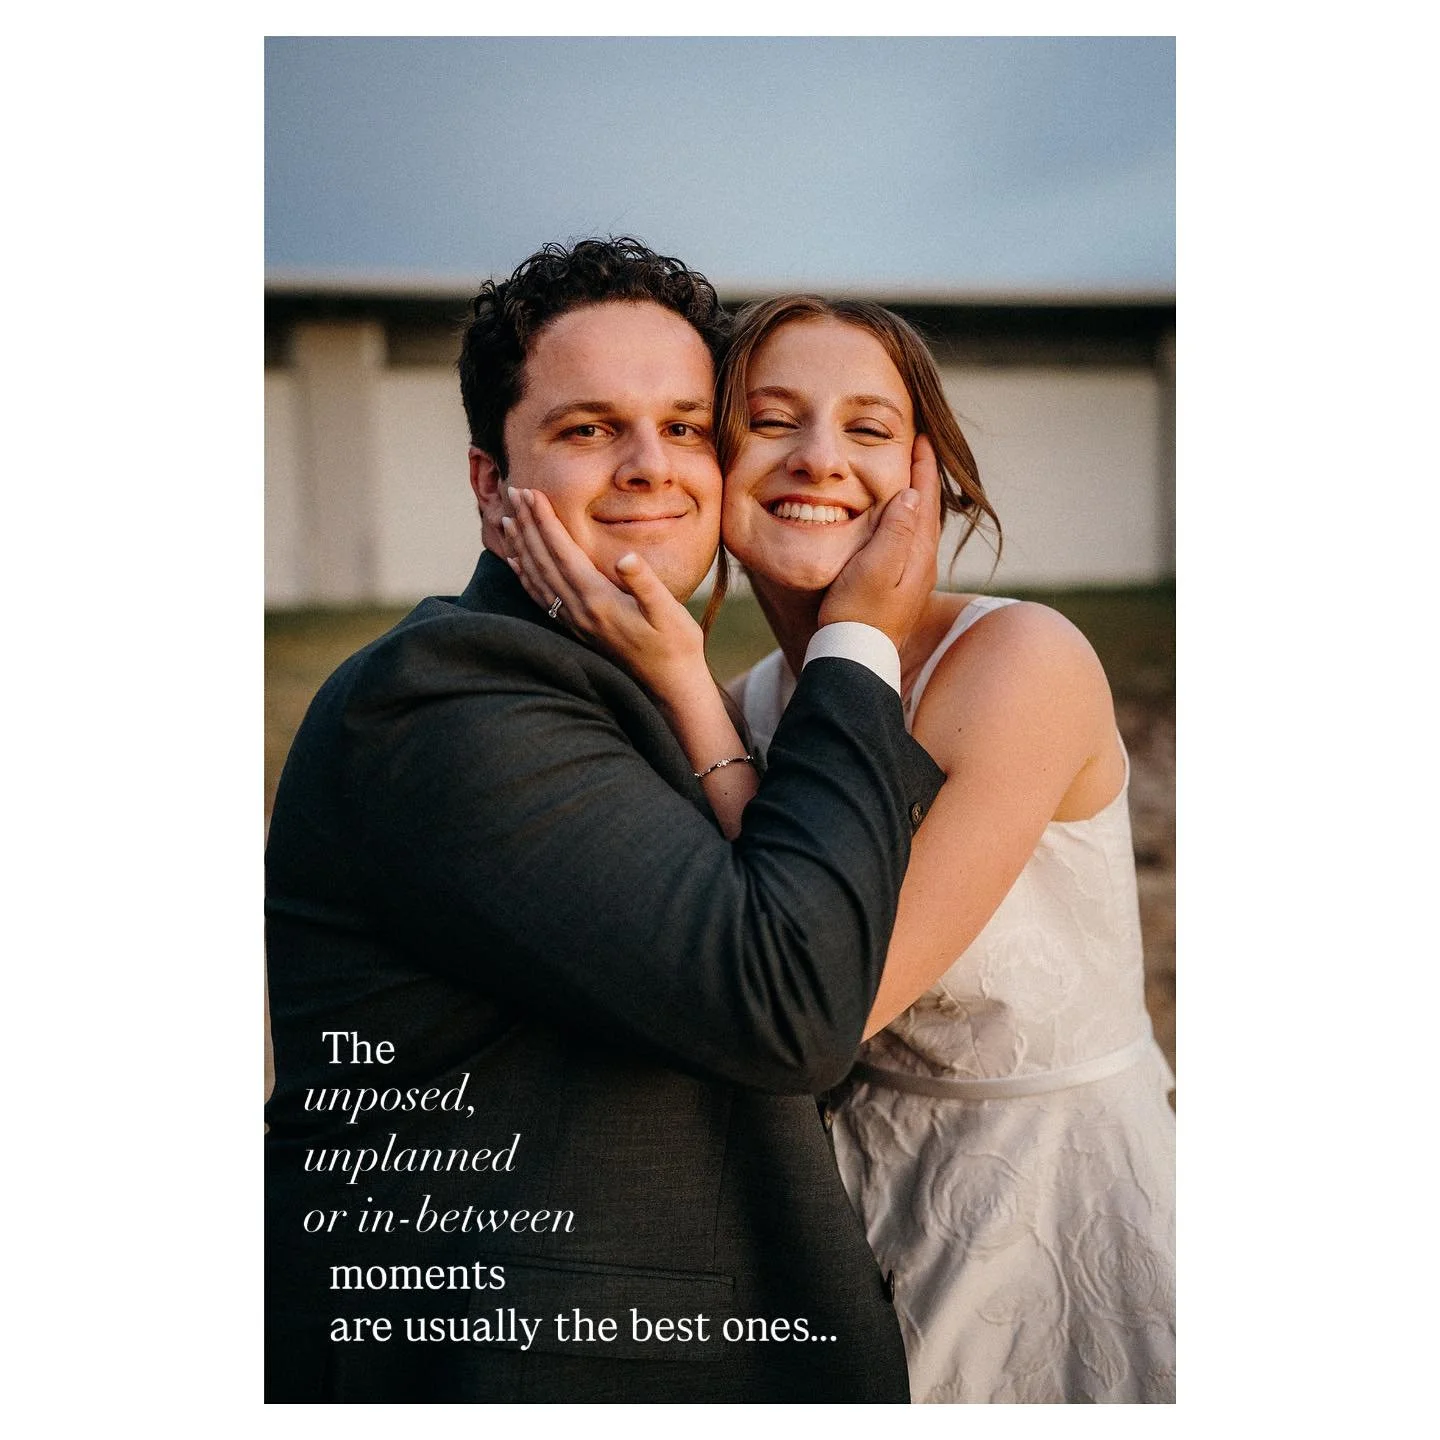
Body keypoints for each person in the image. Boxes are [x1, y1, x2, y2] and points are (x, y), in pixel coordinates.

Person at [264, 241, 948, 1403]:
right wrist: (858, 638)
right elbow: (789, 1002)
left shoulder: (639, 682)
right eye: (589, 430)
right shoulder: (444, 701)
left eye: (686, 426)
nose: (652, 467)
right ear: (491, 486)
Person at [507, 294, 1176, 1403]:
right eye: (772, 422)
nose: (820, 460)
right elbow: (749, 948)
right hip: (843, 1226)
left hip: (1061, 1213)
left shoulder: (1021, 662)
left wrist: (683, 683)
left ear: (925, 472)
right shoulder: (745, 703)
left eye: (867, 430)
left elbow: (832, 997)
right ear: (712, 462)